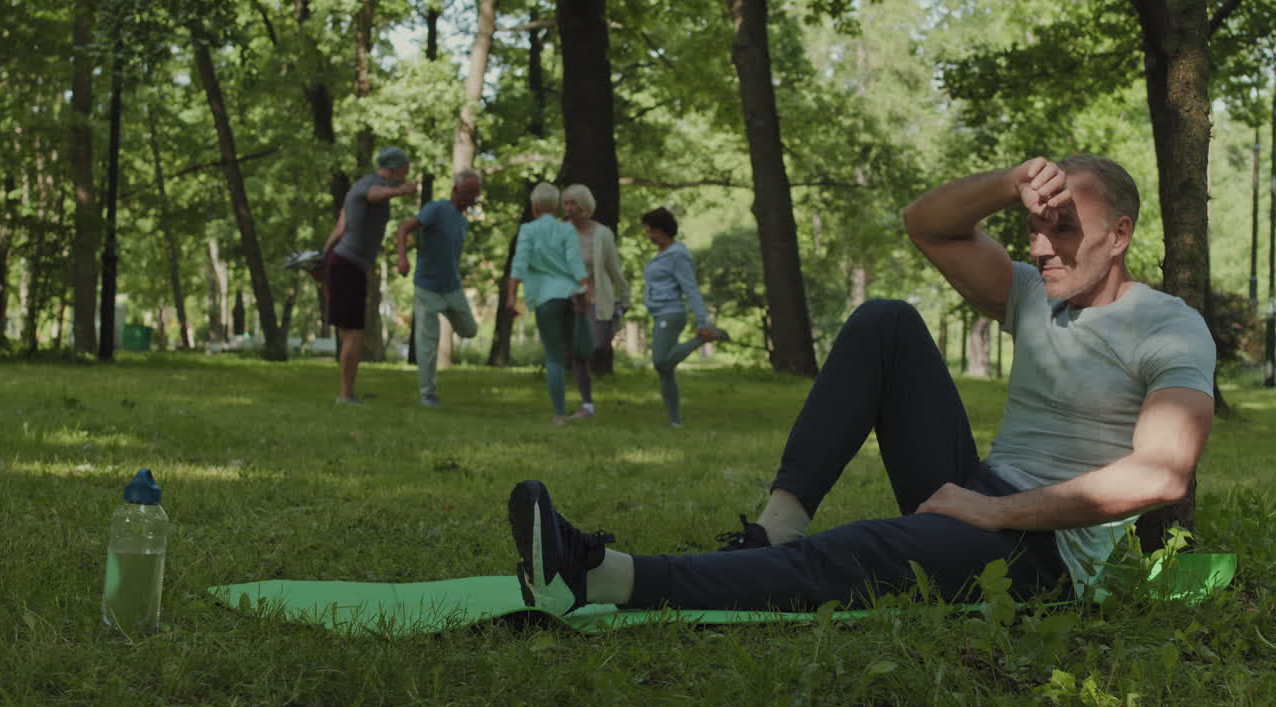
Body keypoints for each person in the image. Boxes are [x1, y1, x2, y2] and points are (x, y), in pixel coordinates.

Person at [506, 155, 1217, 617]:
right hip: (980, 487)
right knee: (885, 321)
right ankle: (771, 532)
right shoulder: (1037, 292)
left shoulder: (1169, 327)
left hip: (1048, 553)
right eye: (1033, 226)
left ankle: (609, 577)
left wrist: (996, 515)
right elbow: (926, 224)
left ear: (1120, 235)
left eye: (1063, 230)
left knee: (867, 553)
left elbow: (1159, 474)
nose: (1038, 246)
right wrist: (1010, 182)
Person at [321, 146, 418, 405]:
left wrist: (323, 258)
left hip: (345, 263)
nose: (407, 174)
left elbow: (341, 227)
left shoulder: (361, 186)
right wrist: (400, 191)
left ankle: (347, 392)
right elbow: (374, 195)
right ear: (395, 169)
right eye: (405, 170)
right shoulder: (370, 184)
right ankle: (345, 395)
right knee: (355, 332)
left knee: (350, 331)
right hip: (347, 263)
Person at [394, 169, 482, 407]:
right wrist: (402, 258)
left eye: (476, 193)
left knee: (470, 330)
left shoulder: (463, 223)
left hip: (452, 288)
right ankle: (428, 394)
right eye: (470, 192)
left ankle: (446, 311)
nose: (474, 197)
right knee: (428, 343)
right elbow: (404, 228)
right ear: (456, 190)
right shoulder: (436, 209)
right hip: (427, 288)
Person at [506, 183, 591, 425]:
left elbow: (519, 264)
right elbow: (575, 263)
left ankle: (560, 414)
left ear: (534, 206)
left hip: (545, 298)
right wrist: (584, 288)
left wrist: (512, 296)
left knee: (554, 357)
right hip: (569, 294)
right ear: (556, 207)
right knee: (573, 351)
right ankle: (585, 402)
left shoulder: (528, 231)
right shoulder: (566, 230)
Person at [640, 207, 730, 428]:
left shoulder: (678, 255)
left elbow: (691, 289)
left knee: (661, 362)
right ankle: (675, 421)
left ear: (663, 230)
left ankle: (704, 337)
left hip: (671, 313)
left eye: (651, 231)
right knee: (666, 370)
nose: (648, 235)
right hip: (659, 313)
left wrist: (703, 323)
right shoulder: (662, 255)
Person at [561, 184, 630, 420]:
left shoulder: (603, 234)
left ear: (585, 206)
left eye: (573, 204)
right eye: (566, 203)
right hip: (570, 299)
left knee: (598, 346)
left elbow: (613, 268)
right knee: (579, 353)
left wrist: (625, 297)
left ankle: (614, 319)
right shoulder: (561, 232)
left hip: (596, 297)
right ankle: (587, 405)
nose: (569, 209)